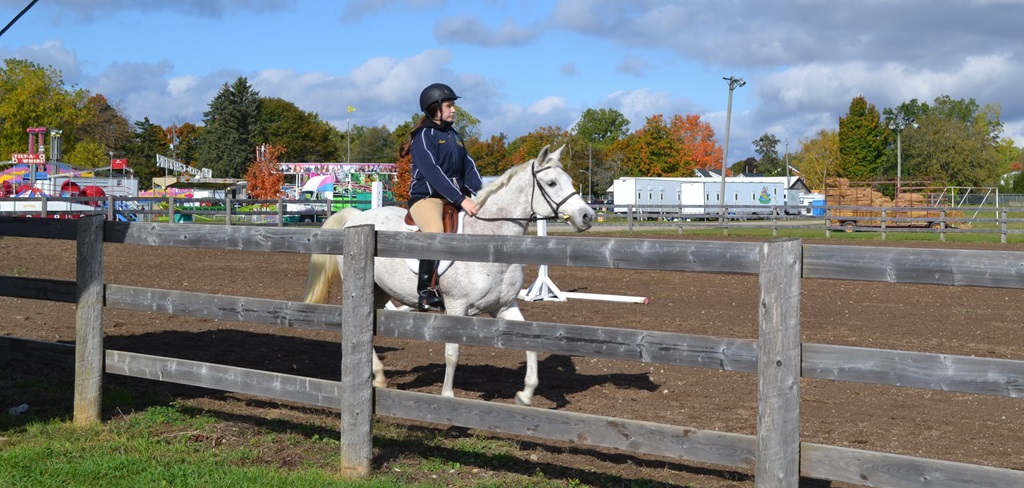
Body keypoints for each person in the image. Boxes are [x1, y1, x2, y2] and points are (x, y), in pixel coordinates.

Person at [400, 82, 484, 312]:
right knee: (435, 232)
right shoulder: (423, 136)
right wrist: (461, 199)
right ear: (434, 108)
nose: (454, 110)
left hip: (455, 198)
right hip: (428, 198)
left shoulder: (454, 136)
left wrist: (483, 195)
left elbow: (469, 168)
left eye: (453, 105)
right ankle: (425, 292)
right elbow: (434, 174)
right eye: (449, 105)